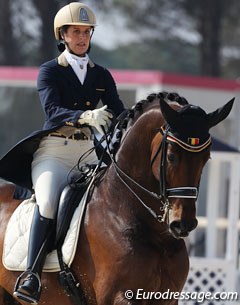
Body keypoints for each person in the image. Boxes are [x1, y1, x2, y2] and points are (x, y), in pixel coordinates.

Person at [0, 2, 125, 304]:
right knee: (48, 202)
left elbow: (119, 112)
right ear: (63, 36)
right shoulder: (50, 71)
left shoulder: (102, 75)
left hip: (89, 154)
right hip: (55, 153)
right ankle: (31, 275)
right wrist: (84, 117)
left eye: (86, 32)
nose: (82, 37)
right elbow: (53, 110)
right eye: (76, 32)